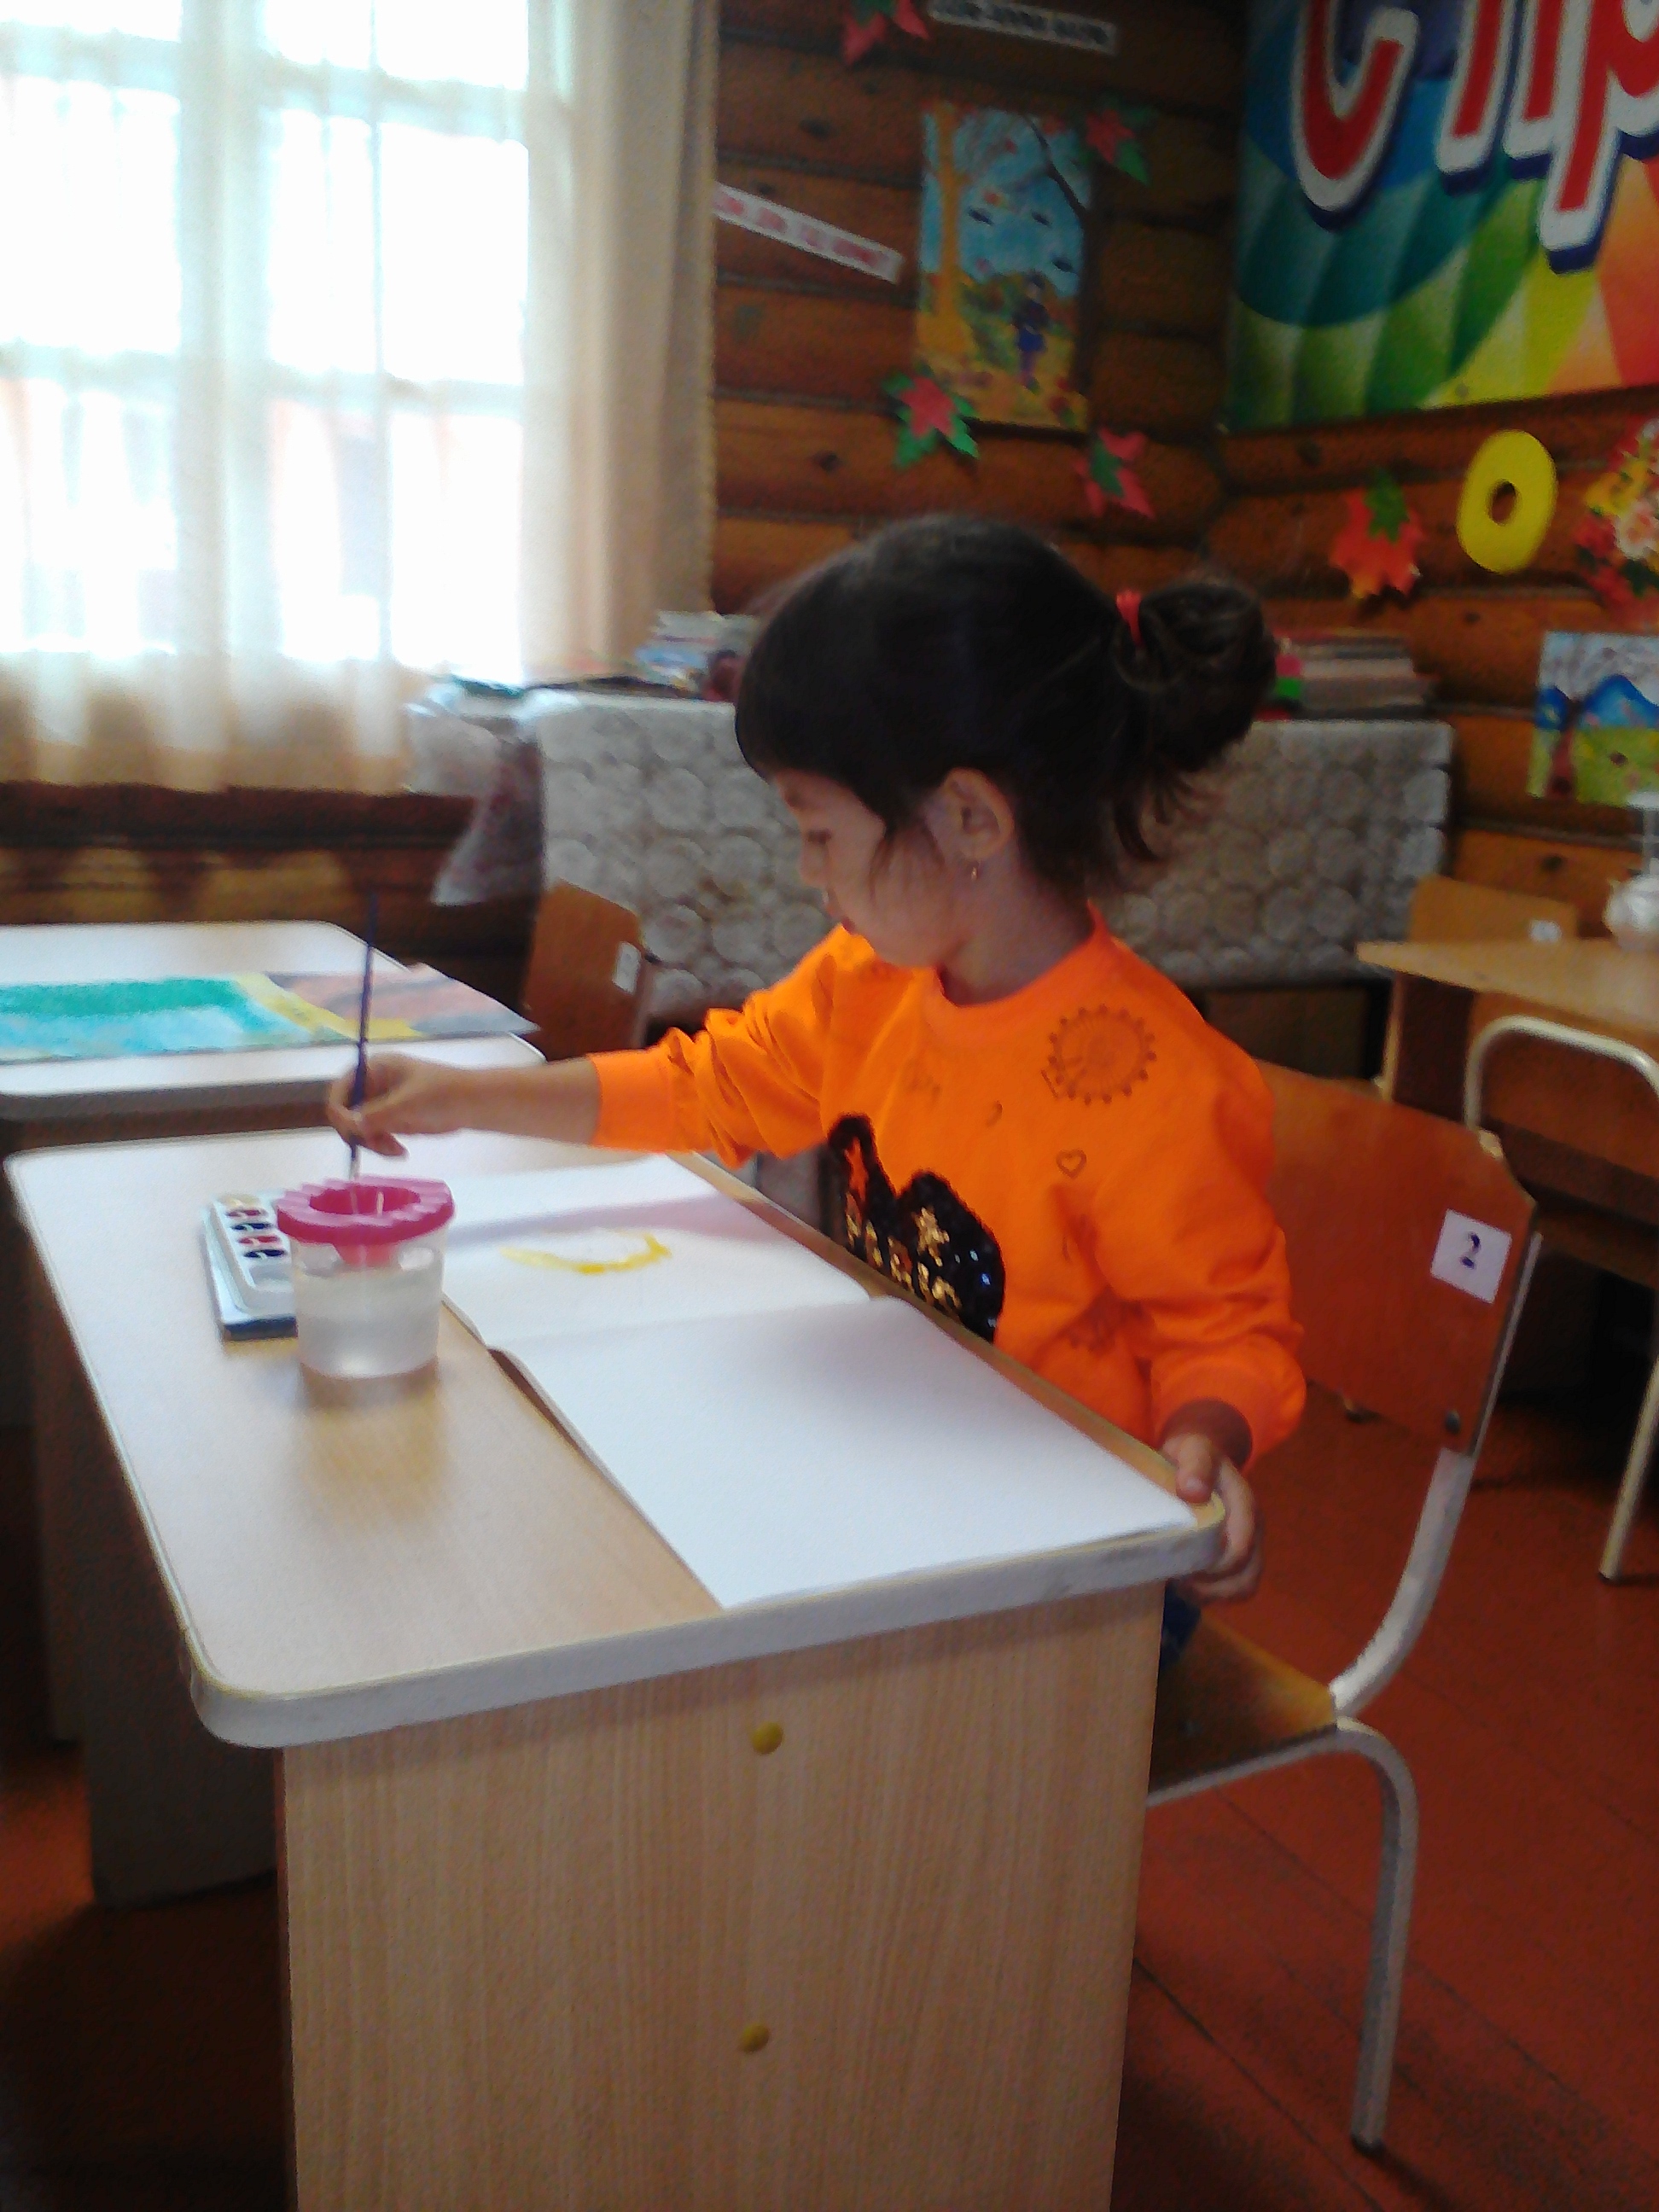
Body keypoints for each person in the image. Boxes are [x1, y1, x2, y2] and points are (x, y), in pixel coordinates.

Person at [331, 516, 1304, 1658]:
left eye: (820, 831)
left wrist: (1203, 1440)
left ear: (972, 818)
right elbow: (706, 1087)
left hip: (1074, 1589)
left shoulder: (1156, 1086)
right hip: (898, 1498)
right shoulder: (868, 986)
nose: (808, 873)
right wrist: (461, 1095)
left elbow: (1226, 1332)